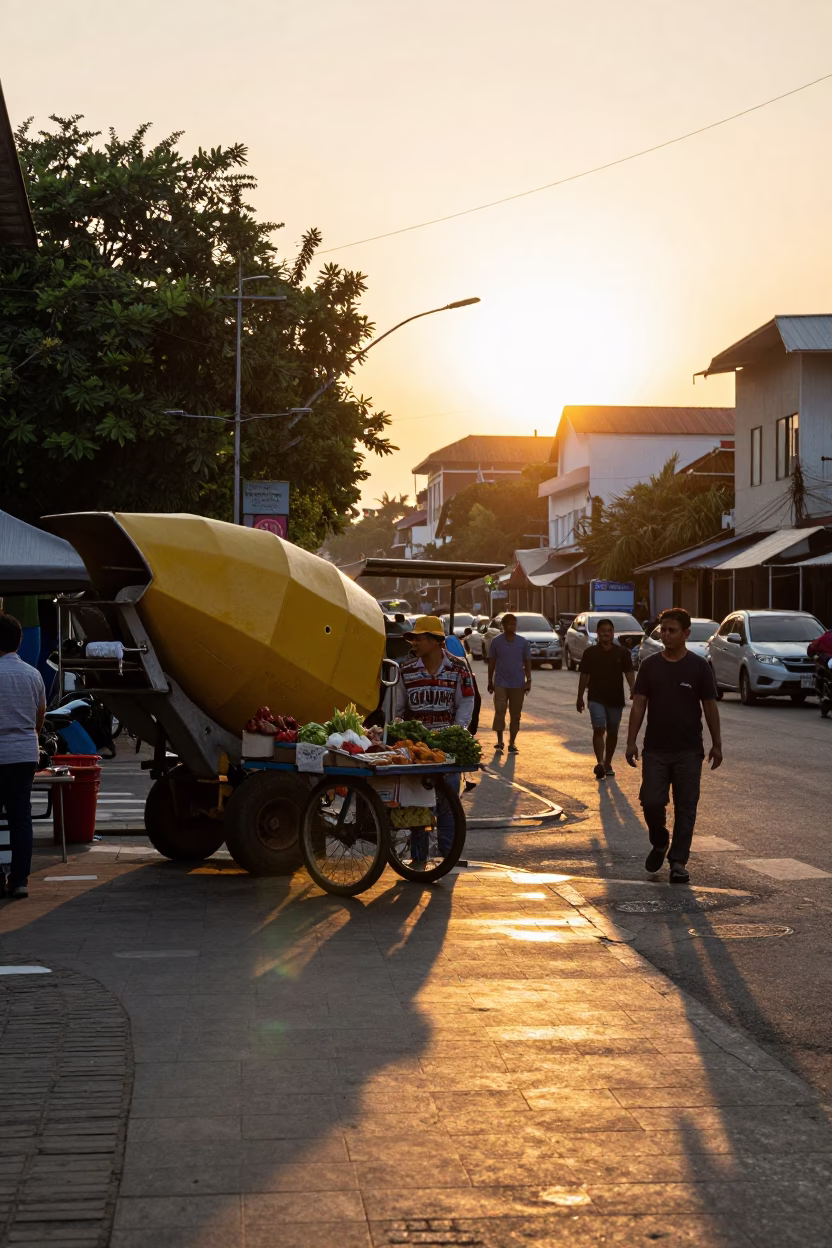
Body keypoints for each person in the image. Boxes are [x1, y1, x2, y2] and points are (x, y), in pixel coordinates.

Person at [625, 607, 723, 884]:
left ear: (686, 634)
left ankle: (678, 861)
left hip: (689, 750)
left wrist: (717, 744)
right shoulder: (650, 665)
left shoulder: (699, 666)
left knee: (686, 806)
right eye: (663, 631)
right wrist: (631, 741)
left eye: (672, 631)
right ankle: (659, 841)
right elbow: (639, 705)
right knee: (651, 801)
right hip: (655, 749)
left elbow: (710, 707)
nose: (666, 635)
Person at [394, 615, 475, 861]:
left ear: (434, 641)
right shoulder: (405, 670)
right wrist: (403, 733)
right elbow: (397, 710)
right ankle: (418, 858)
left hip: (447, 746)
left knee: (448, 801)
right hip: (416, 748)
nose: (415, 643)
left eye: (419, 638)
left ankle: (447, 858)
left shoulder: (459, 667)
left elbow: (467, 701)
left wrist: (456, 732)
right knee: (419, 803)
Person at [0, 611, 46, 900]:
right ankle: (20, 881)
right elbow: (39, 717)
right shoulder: (33, 674)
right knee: (21, 818)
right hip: (25, 752)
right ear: (19, 641)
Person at [576, 618, 635, 779]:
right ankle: (600, 762)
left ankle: (608, 762)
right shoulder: (590, 653)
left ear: (613, 632)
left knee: (613, 731)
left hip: (616, 698)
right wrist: (580, 697)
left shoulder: (622, 652)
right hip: (595, 697)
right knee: (599, 728)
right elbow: (584, 675)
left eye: (609, 630)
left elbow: (629, 672)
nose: (606, 633)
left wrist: (633, 688)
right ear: (598, 633)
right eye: (603, 630)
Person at [487, 613, 531, 753]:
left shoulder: (523, 643)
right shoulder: (496, 641)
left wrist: (528, 680)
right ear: (503, 626)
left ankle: (512, 742)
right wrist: (490, 680)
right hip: (500, 683)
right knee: (500, 711)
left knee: (515, 714)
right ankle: (500, 741)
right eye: (509, 624)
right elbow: (492, 662)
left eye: (514, 624)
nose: (511, 627)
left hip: (518, 683)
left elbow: (527, 661)